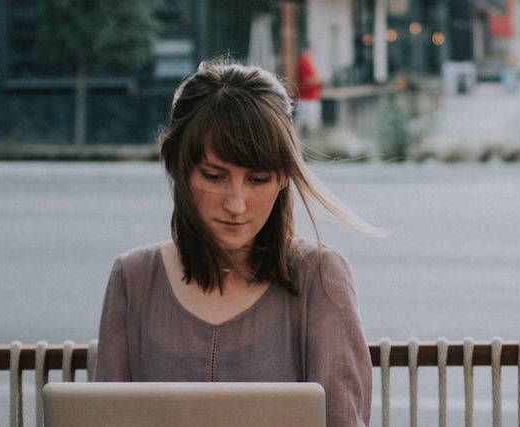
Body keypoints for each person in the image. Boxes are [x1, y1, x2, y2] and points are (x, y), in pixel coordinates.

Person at [94, 59, 383, 427]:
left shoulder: (321, 277)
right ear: (174, 164)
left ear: (283, 178)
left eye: (258, 179)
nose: (236, 204)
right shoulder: (132, 280)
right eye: (214, 177)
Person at [295, 45, 324, 135]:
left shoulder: (307, 62)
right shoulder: (304, 62)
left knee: (305, 121)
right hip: (306, 98)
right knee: (304, 121)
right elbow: (306, 80)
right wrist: (319, 80)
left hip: (310, 97)